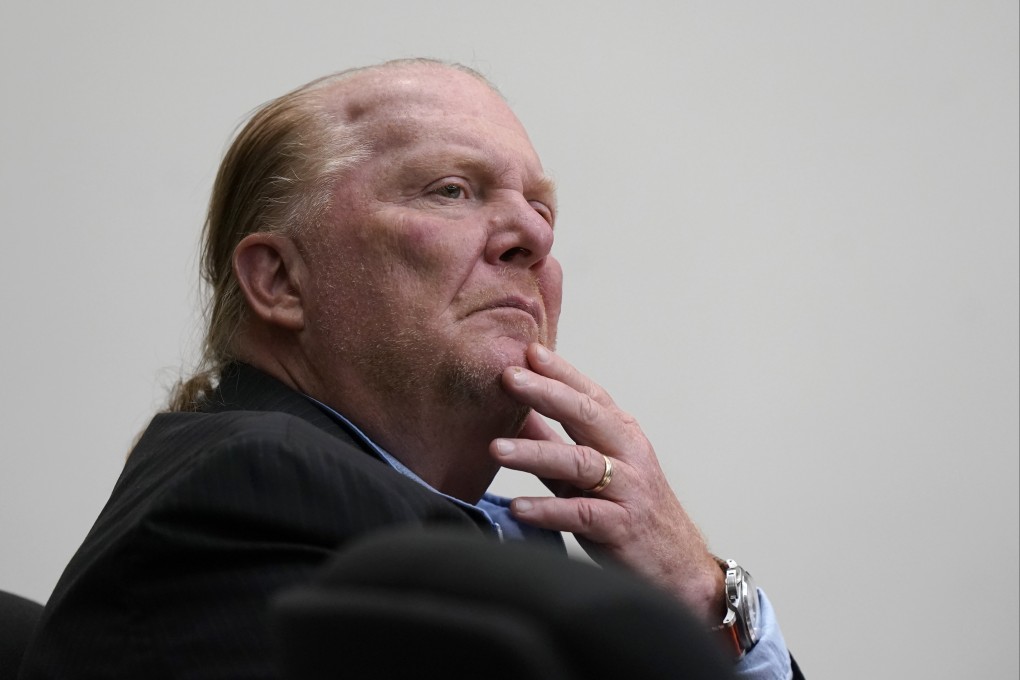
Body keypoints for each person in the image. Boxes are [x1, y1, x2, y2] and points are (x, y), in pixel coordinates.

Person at [19, 59, 801, 679]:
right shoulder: (255, 495)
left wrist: (703, 595)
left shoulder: (472, 529)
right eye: (452, 190)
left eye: (542, 210)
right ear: (281, 282)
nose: (532, 236)